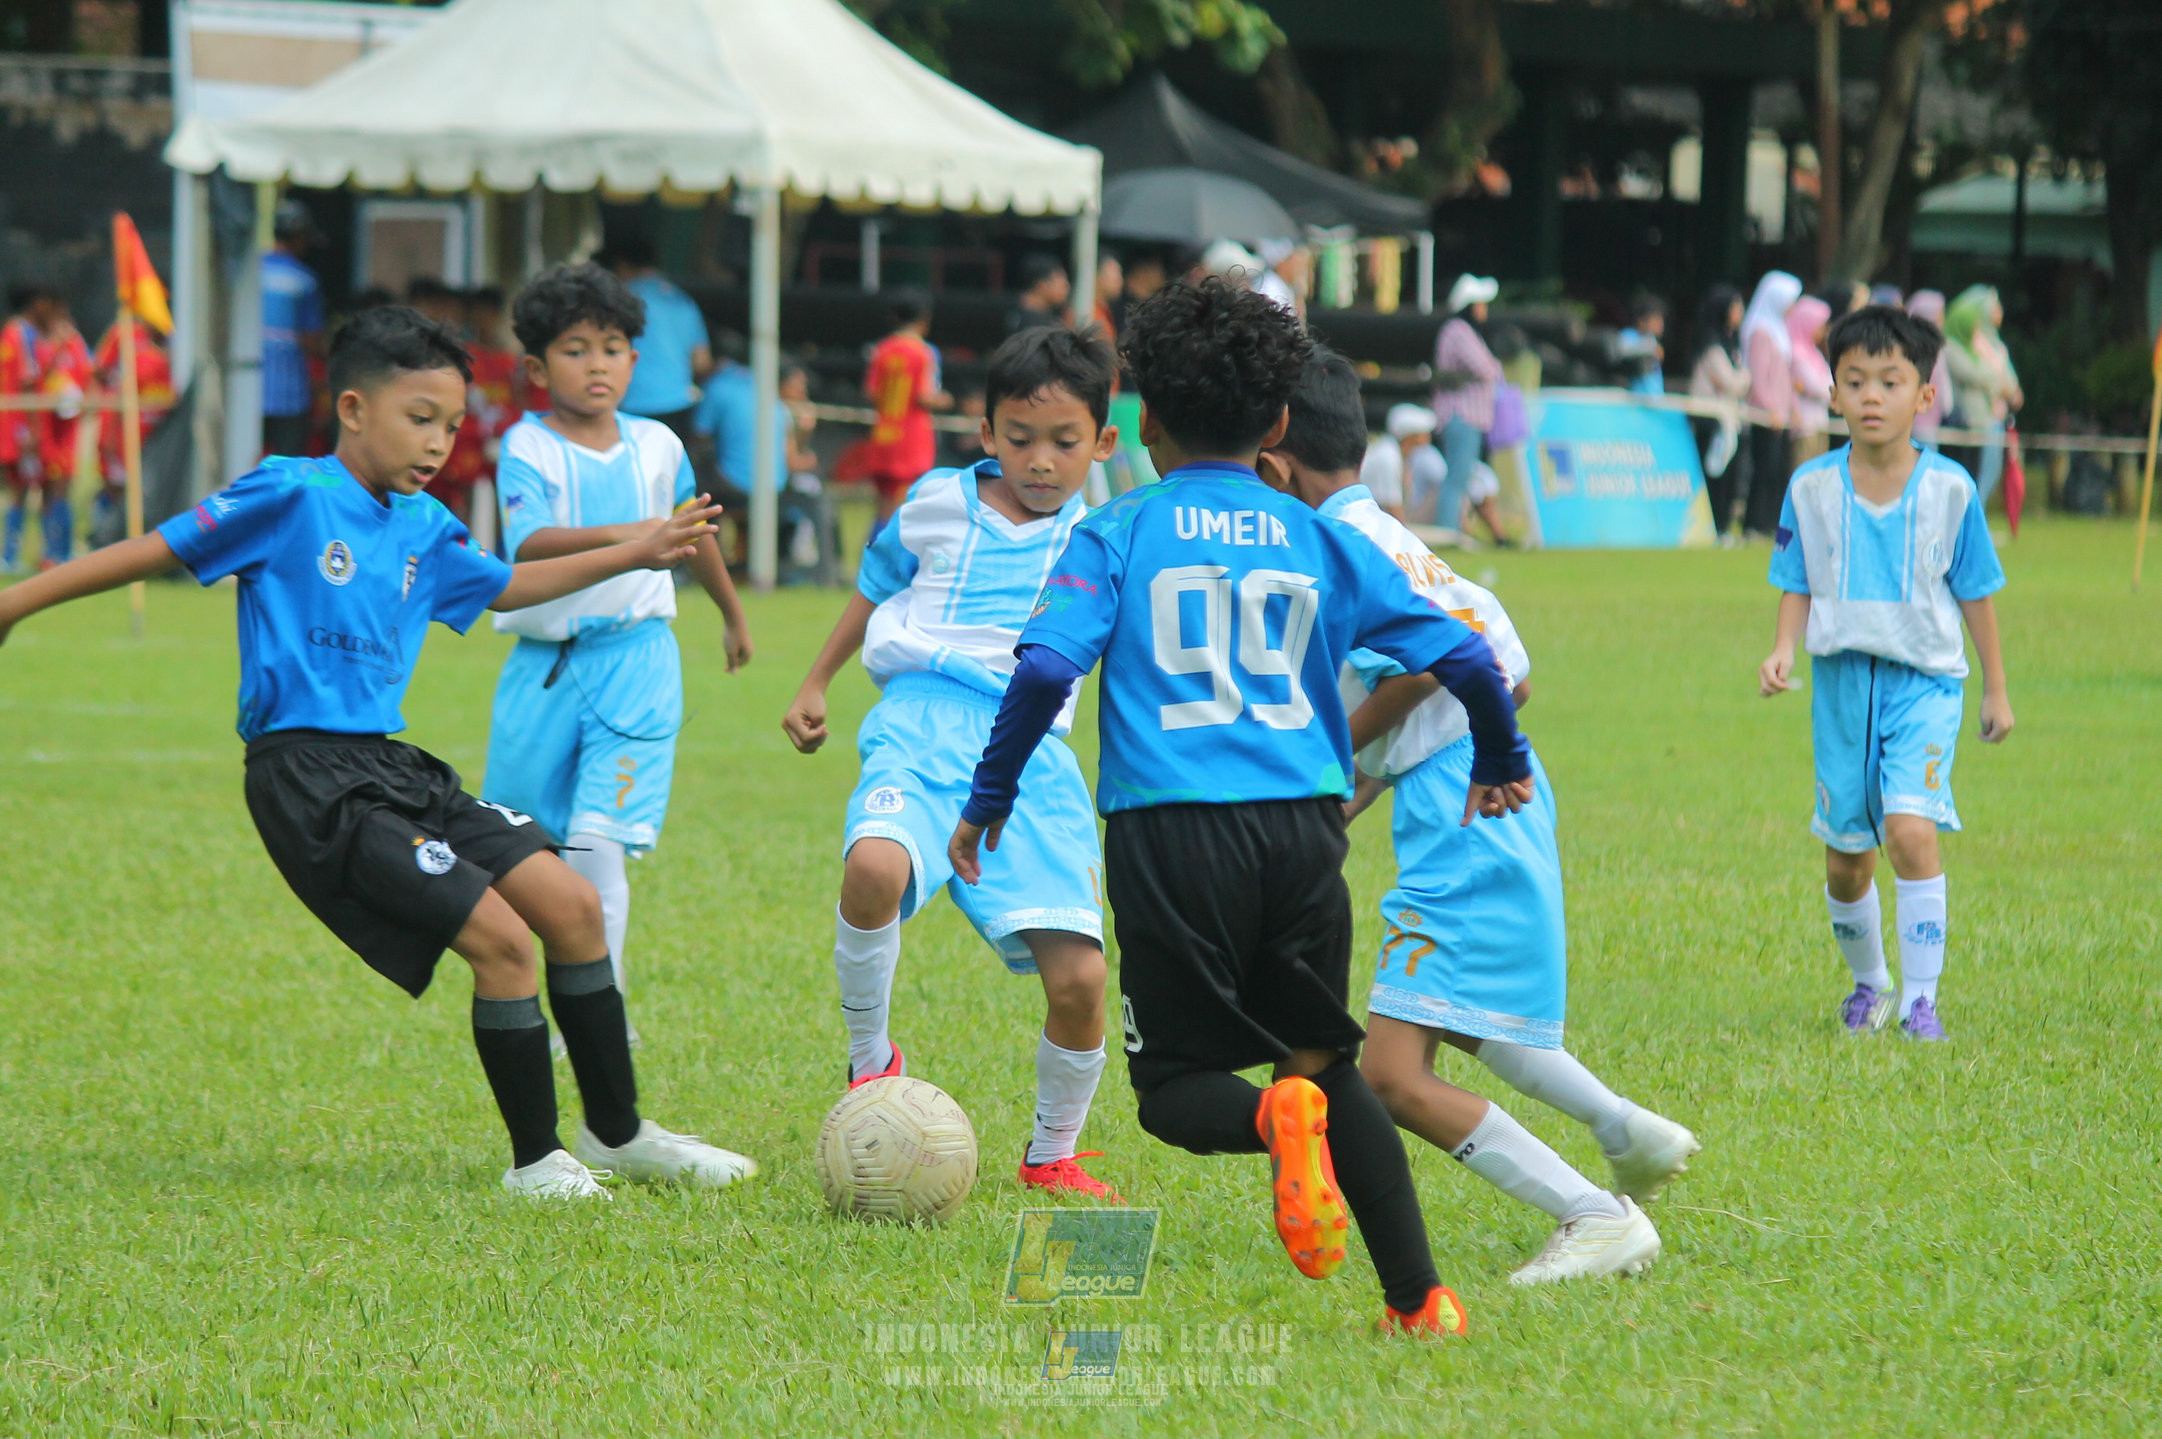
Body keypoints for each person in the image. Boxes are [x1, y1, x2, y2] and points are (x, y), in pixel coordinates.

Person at [0, 304, 756, 1198]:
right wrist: (15, 603)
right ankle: (537, 1162)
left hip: (390, 764)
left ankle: (618, 1133)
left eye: (452, 425)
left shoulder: (426, 524)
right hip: (307, 777)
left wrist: (639, 548)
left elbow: (510, 585)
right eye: (420, 417)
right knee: (503, 942)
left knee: (573, 905)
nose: (438, 443)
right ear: (353, 408)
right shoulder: (289, 493)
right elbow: (151, 548)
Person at [949, 278, 1539, 1338]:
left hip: (1170, 829)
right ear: (1276, 424)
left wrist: (988, 797)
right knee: (1324, 1059)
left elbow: (1041, 670)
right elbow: (1463, 649)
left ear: (1144, 424)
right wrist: (1500, 750)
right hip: (1304, 830)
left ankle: (1275, 1116)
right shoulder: (1319, 538)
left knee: (1175, 1085)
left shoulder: (1116, 531)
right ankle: (1419, 1299)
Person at [1258, 347, 1694, 1283]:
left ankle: (1593, 1212)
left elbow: (1430, 668)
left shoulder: (1333, 551)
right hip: (1481, 789)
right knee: (1451, 1014)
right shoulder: (1389, 533)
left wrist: (1327, 757)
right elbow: (1508, 674)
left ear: (1273, 463)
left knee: (1389, 1072)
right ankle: (1626, 1130)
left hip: (1465, 809)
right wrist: (1344, 801)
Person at [782, 325, 1123, 1200]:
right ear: (985, 431)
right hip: (922, 723)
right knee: (873, 867)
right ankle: (870, 1061)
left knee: (1082, 977)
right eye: (1019, 437)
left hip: (1034, 754)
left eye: (1064, 441)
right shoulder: (935, 501)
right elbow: (875, 582)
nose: (1039, 460)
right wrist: (816, 679)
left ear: (1103, 442)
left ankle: (1052, 1152)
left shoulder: (1107, 538)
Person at [483, 262, 754, 1049]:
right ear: (538, 369)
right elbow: (529, 543)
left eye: (611, 348)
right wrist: (635, 538)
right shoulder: (526, 445)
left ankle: (602, 1015)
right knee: (528, 848)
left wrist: (731, 612)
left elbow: (691, 531)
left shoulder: (661, 444)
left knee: (598, 845)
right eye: (575, 349)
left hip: (638, 664)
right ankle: (546, 990)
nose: (596, 364)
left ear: (635, 360)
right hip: (543, 667)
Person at [1758, 305, 2013, 1043]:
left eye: (1891, 381)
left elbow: (1976, 592)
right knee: (1847, 860)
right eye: (1856, 380)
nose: (1872, 396)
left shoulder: (1950, 491)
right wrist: (1783, 647)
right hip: (1841, 689)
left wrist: (1995, 688)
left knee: (1909, 829)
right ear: (1832, 392)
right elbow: (1796, 578)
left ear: (1925, 395)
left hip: (1924, 685)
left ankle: (1920, 1001)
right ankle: (1870, 984)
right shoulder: (1810, 487)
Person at [860, 291, 952, 533]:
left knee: (883, 505)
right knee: (909, 505)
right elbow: (924, 396)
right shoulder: (923, 352)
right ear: (924, 319)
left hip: (884, 434)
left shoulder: (881, 350)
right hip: (912, 438)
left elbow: (871, 393)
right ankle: (898, 554)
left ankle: (874, 552)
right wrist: (945, 401)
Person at [609, 237, 711, 445]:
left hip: (633, 406)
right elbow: (702, 362)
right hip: (679, 404)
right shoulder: (681, 300)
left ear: (621, 266)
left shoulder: (618, 300)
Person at [1430, 274, 1505, 539]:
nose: (1484, 309)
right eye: (1480, 303)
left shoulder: (1462, 331)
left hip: (1467, 417)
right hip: (1462, 415)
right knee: (1457, 479)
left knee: (1460, 478)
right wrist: (1495, 365)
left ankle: (1453, 530)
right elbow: (1486, 369)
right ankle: (1448, 534)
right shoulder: (1458, 330)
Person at [92, 310, 176, 538]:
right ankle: (103, 536)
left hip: (150, 441)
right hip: (122, 437)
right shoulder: (127, 339)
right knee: (116, 488)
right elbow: (103, 376)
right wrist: (109, 440)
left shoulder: (165, 355)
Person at [1942, 286, 2022, 505]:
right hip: (1974, 421)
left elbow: (2008, 383)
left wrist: (2004, 387)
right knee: (1975, 472)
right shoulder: (1959, 347)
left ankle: (1978, 511)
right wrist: (1999, 384)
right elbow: (1983, 376)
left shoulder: (1996, 345)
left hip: (1996, 418)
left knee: (1991, 470)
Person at [28, 295, 92, 568]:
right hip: (48, 428)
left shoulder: (76, 348)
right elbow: (36, 380)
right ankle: (49, 551)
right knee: (47, 487)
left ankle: (63, 550)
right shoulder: (43, 348)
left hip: (67, 430)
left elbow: (86, 378)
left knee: (63, 485)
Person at [1739, 271, 1804, 538]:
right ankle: (1755, 523)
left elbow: (1784, 377)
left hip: (1781, 415)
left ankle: (1771, 523)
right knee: (1764, 468)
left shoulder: (1779, 332)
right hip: (1765, 416)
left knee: (1778, 470)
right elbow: (1758, 377)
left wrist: (1793, 407)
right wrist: (1770, 409)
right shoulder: (1760, 332)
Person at [261, 200, 324, 460]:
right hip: (290, 395)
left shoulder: (253, 271)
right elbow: (312, 341)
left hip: (251, 389)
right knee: (289, 464)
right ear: (298, 237)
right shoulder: (305, 280)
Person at [1688, 284, 1752, 538]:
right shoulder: (1712, 346)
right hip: (1710, 420)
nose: (1740, 312)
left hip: (1728, 420)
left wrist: (1740, 379)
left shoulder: (1731, 343)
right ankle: (1714, 526)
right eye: (1735, 307)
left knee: (1730, 475)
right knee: (1715, 475)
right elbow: (1731, 382)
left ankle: (1724, 526)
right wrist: (1743, 377)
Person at [0, 285, 47, 572]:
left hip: (8, 423)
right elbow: (28, 381)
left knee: (19, 488)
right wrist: (34, 429)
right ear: (35, 303)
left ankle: (11, 555)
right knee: (26, 488)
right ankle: (12, 555)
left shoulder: (8, 333)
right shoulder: (24, 335)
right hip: (19, 427)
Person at [1359, 403, 1444, 522]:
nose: (1428, 435)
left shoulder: (1396, 453)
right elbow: (1394, 509)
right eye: (1424, 432)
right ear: (1411, 436)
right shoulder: (1388, 457)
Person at [1786, 295, 1835, 465]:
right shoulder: (1796, 353)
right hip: (1804, 425)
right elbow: (1816, 387)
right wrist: (1827, 391)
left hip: (1820, 422)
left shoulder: (1814, 352)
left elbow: (1830, 382)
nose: (1822, 331)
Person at [1905, 290, 1954, 448]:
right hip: (1922, 423)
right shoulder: (1928, 347)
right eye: (1939, 313)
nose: (1942, 318)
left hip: (1926, 420)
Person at [1005, 254, 1070, 336]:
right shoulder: (1042, 327)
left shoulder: (1012, 312)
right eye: (1062, 284)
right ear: (1041, 285)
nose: (1067, 287)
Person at [1616, 294, 1667, 395]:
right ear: (1641, 321)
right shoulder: (1628, 336)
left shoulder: (1651, 340)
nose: (1661, 324)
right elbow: (1623, 351)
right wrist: (1650, 350)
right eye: (1656, 319)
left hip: (1655, 400)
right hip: (1635, 400)